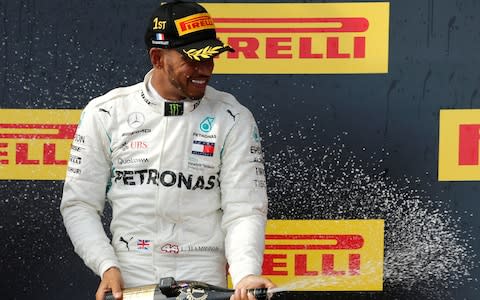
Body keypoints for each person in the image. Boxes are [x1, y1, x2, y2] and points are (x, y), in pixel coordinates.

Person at [60, 1, 274, 300]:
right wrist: (106, 265)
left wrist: (245, 273)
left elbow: (245, 210)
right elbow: (79, 204)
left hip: (203, 277)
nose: (205, 69)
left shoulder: (233, 118)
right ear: (157, 58)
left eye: (210, 58)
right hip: (129, 276)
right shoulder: (106, 113)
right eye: (193, 60)